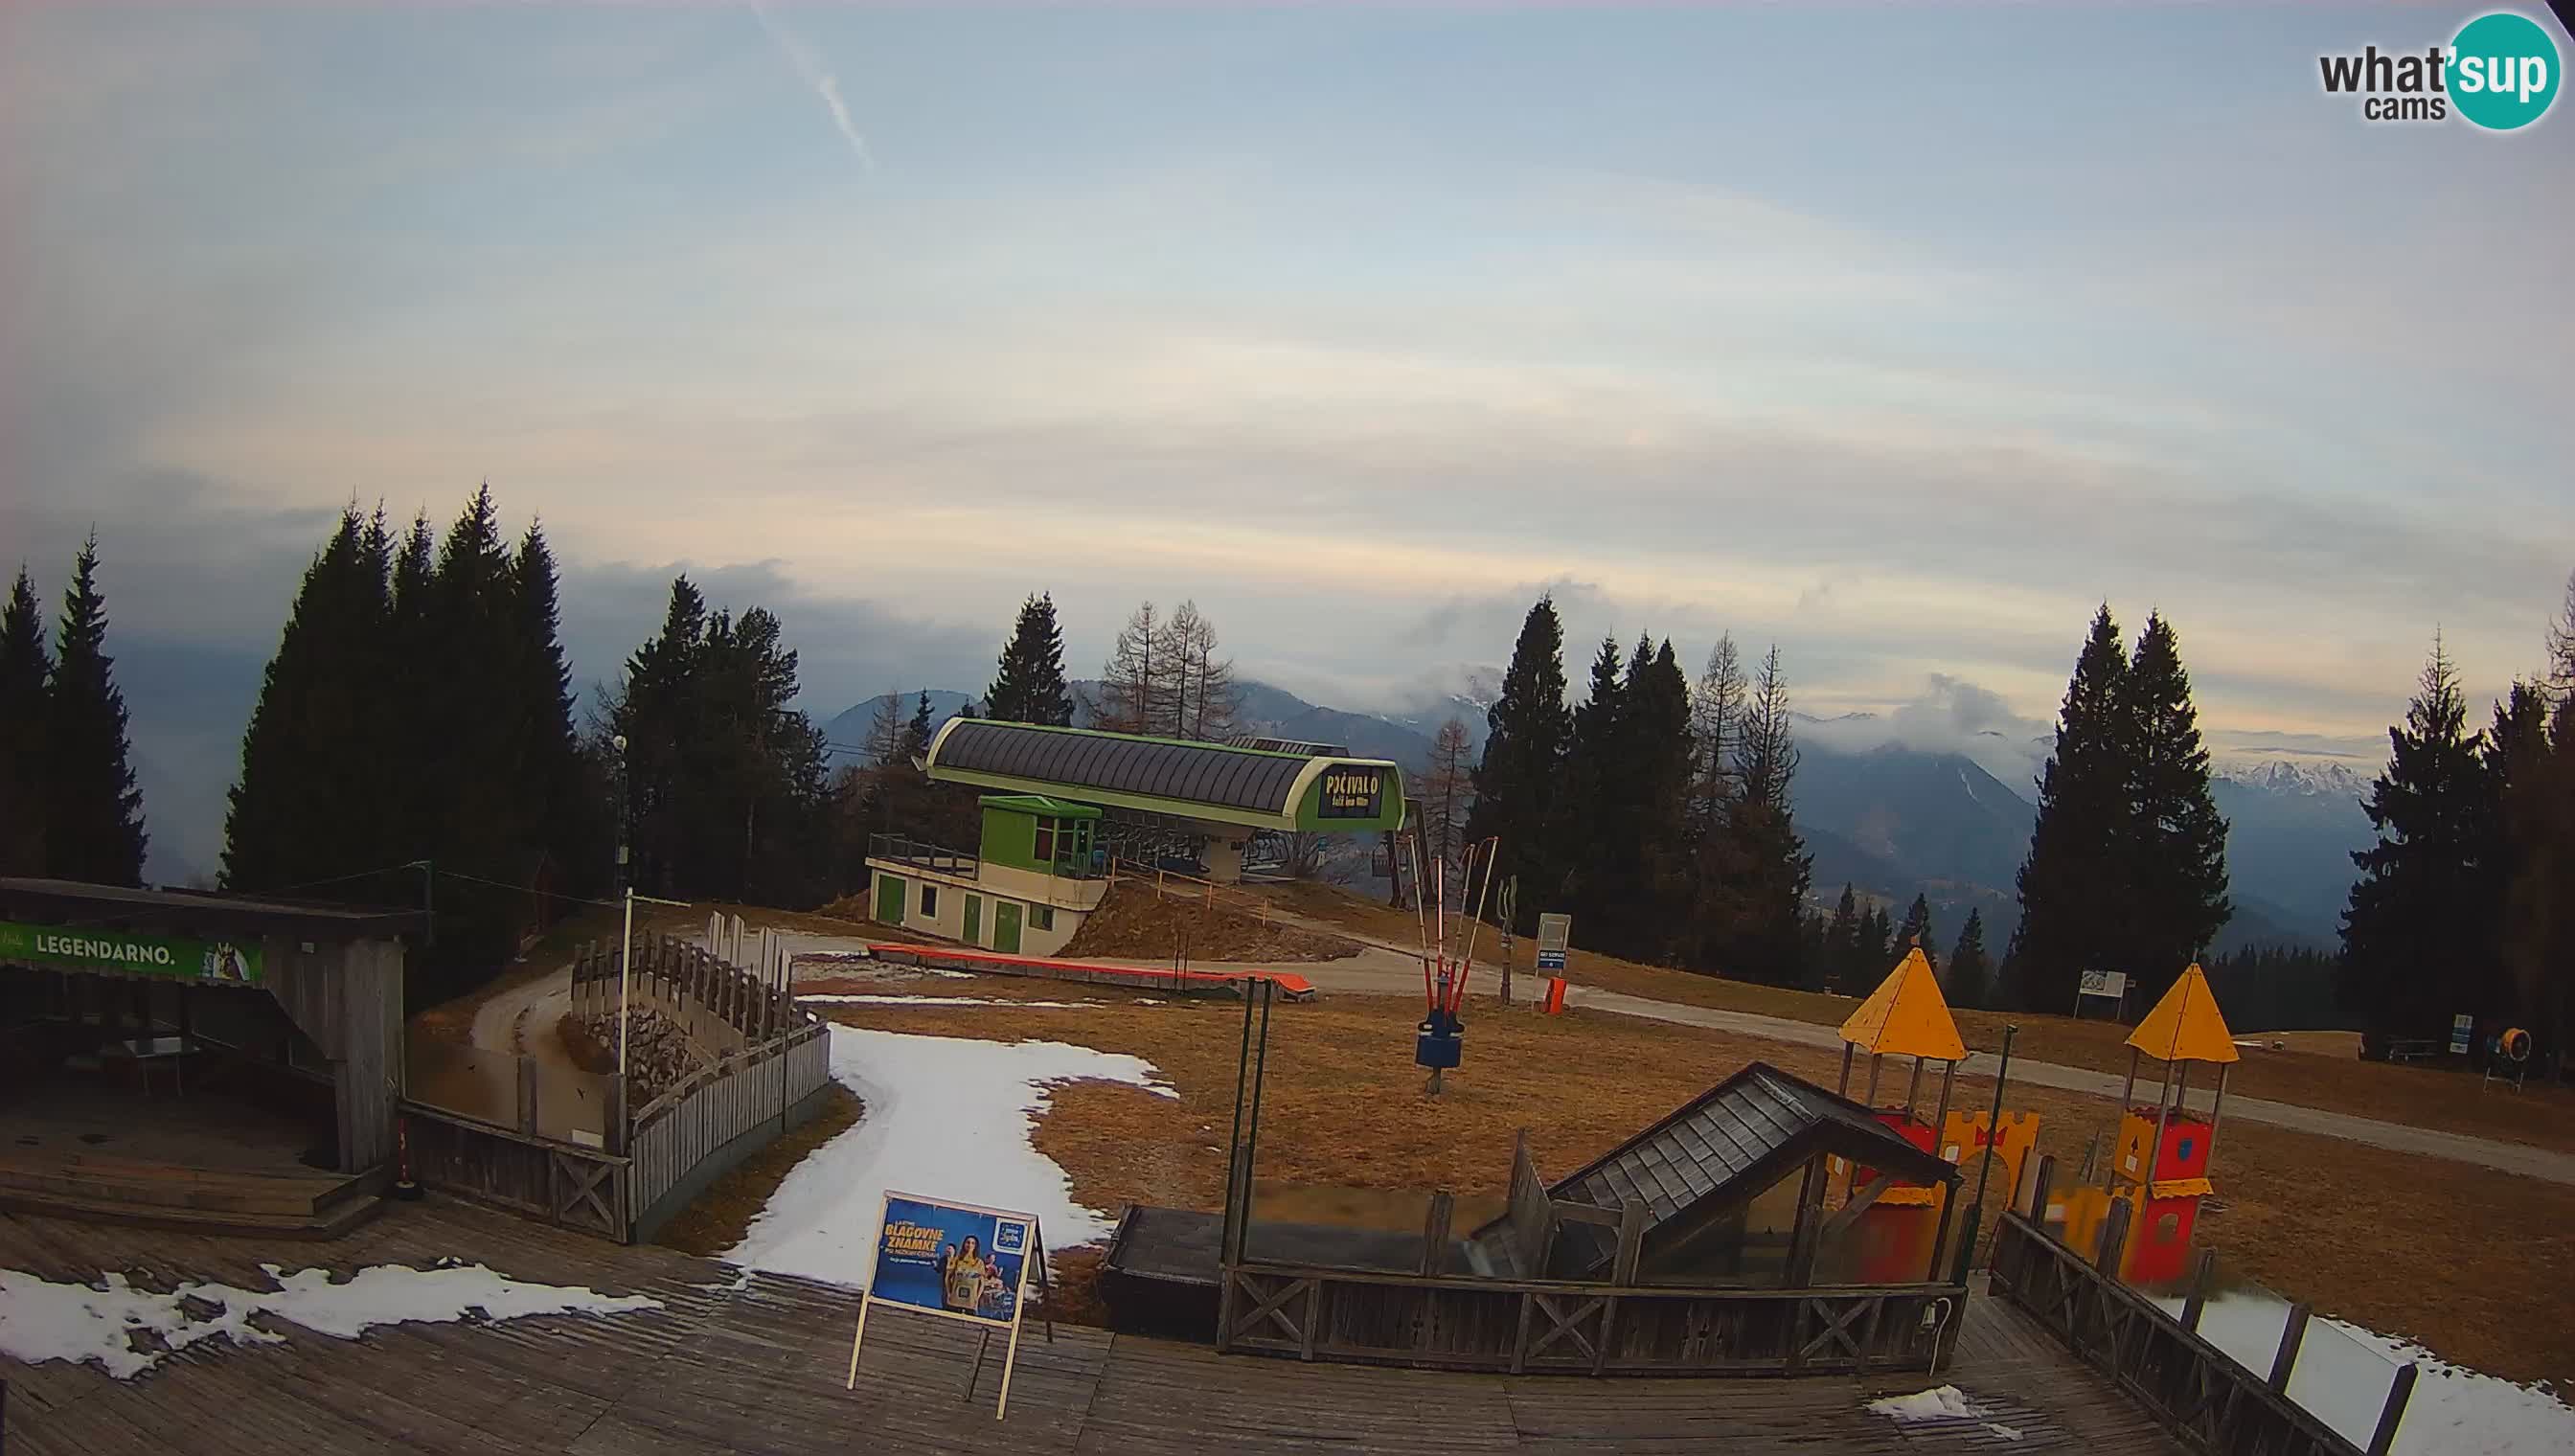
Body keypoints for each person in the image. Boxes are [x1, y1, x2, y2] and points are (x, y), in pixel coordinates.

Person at [943, 1235, 987, 1313]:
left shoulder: (979, 1263)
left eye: (973, 1243)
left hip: (970, 1303)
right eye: (968, 1242)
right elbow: (947, 1278)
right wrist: (949, 1293)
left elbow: (982, 1283)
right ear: (964, 1244)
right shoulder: (956, 1260)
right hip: (955, 1301)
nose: (970, 1245)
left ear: (975, 1246)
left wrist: (977, 1298)